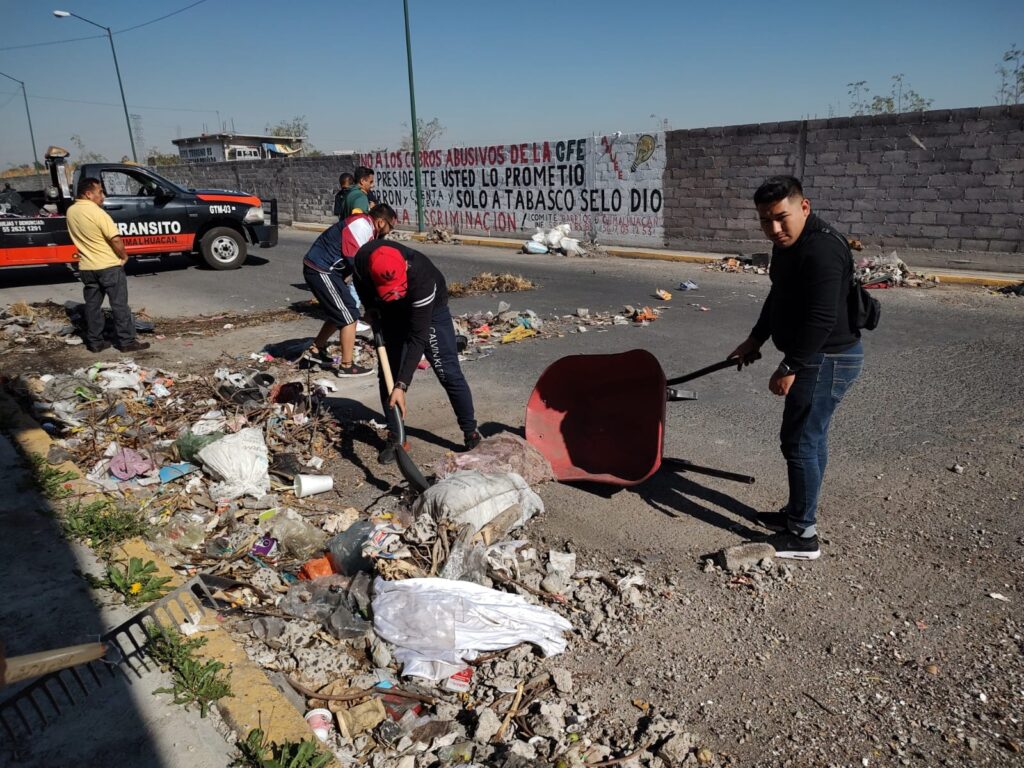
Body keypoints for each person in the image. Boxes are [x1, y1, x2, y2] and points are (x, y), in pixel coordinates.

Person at [729, 175, 863, 561]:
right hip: (817, 357)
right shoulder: (789, 246)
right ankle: (796, 514)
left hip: (828, 359)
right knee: (811, 438)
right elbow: (779, 295)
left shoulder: (822, 249)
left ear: (804, 207)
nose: (773, 229)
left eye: (781, 217)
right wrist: (755, 339)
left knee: (800, 441)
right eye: (765, 220)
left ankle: (803, 536)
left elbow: (821, 319)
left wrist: (789, 365)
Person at [351, 239, 481, 464]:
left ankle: (471, 434)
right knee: (388, 374)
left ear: (405, 267)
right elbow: (360, 283)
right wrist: (370, 307)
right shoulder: (364, 259)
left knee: (447, 371)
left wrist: (403, 385)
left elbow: (417, 339)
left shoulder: (422, 278)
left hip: (429, 313)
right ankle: (397, 436)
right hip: (389, 311)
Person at [301, 205, 399, 376]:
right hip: (322, 270)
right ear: (381, 222)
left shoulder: (366, 227)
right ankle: (346, 365)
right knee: (349, 316)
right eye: (390, 227)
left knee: (341, 311)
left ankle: (315, 351)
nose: (389, 231)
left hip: (329, 271)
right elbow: (358, 264)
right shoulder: (361, 226)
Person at [66, 177, 149, 353]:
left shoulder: (71, 212)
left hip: (87, 267)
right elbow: (115, 239)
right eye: (100, 192)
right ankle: (126, 341)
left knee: (92, 306)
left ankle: (95, 342)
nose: (103, 196)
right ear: (88, 194)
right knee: (119, 305)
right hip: (108, 266)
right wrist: (124, 256)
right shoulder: (98, 213)